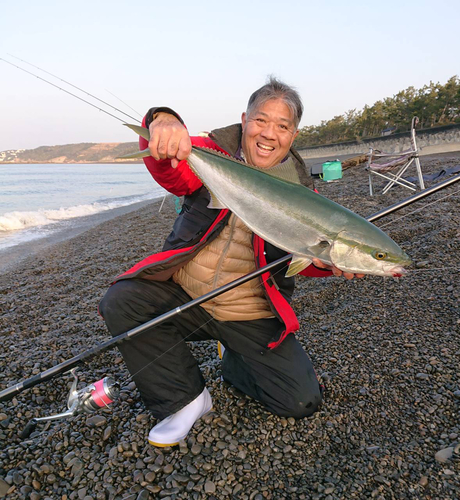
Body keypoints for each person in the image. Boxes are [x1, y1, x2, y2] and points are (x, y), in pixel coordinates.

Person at [99, 77, 363, 447]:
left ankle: (235, 360)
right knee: (121, 301)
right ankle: (186, 400)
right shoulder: (211, 152)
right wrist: (162, 120)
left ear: (294, 135)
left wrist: (334, 262)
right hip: (187, 297)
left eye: (282, 126)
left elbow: (304, 256)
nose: (269, 134)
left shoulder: (305, 193)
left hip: (249, 313)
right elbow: (171, 173)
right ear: (244, 119)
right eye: (260, 121)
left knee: (301, 401)